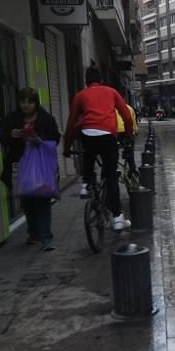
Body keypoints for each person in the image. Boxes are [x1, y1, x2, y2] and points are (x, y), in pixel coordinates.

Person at [63, 65, 134, 231]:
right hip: (108, 136)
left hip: (87, 134)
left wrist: (66, 148)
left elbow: (71, 124)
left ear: (86, 82)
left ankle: (86, 184)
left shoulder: (80, 95)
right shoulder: (111, 92)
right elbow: (126, 116)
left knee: (88, 155)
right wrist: (129, 136)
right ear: (101, 80)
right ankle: (117, 218)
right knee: (110, 176)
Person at [0, 88, 61, 251]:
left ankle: (46, 237)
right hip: (19, 163)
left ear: (35, 102)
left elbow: (55, 137)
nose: (26, 105)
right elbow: (2, 137)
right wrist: (12, 135)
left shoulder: (45, 118)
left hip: (40, 165)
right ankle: (33, 233)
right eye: (23, 101)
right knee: (27, 200)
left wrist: (39, 139)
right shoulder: (13, 118)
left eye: (30, 101)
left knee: (42, 200)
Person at [116, 98, 139, 173]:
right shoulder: (129, 108)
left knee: (113, 153)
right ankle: (132, 169)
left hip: (115, 132)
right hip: (127, 132)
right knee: (130, 152)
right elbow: (133, 122)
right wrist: (136, 132)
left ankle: (114, 167)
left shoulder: (111, 108)